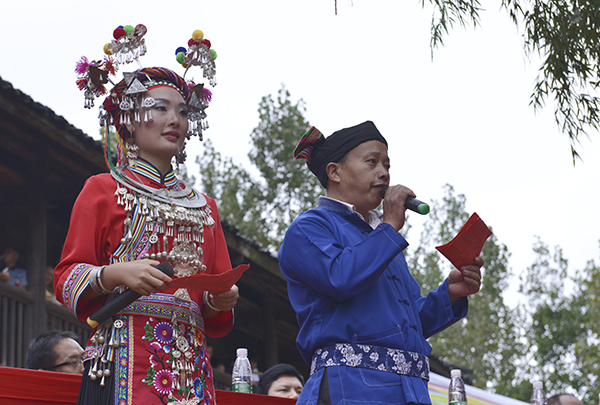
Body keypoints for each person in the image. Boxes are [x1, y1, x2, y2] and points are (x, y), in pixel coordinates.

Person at [54, 25, 238, 405]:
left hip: (191, 363)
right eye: (161, 108)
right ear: (130, 118)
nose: (175, 119)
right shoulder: (103, 189)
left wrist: (220, 300)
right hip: (124, 353)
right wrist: (114, 274)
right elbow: (66, 278)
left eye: (183, 111)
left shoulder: (204, 206)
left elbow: (214, 293)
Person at [278, 121, 484, 404]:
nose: (384, 173)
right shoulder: (310, 227)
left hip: (409, 391)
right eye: (372, 162)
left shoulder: (381, 238)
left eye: (387, 165)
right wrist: (388, 226)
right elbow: (340, 278)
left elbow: (409, 322)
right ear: (334, 171)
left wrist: (449, 294)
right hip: (350, 388)